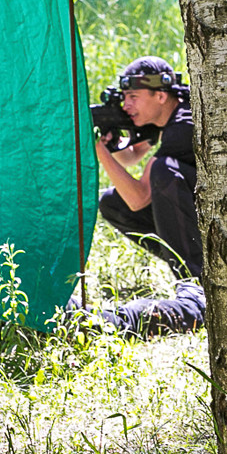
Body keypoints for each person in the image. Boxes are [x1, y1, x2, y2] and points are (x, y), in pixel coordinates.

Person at [87, 55, 206, 337]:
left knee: (163, 173)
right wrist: (112, 142)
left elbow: (139, 198)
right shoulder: (167, 116)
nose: (126, 105)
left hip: (218, 220)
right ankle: (186, 264)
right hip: (200, 214)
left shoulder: (183, 125)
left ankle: (197, 280)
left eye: (133, 97)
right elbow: (131, 157)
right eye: (124, 98)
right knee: (112, 203)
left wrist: (98, 150)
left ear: (161, 96)